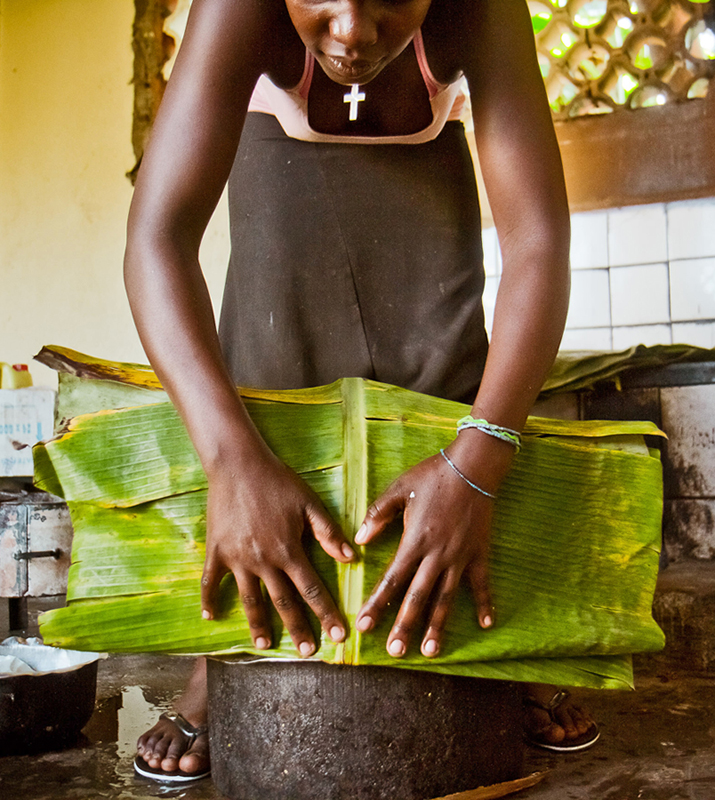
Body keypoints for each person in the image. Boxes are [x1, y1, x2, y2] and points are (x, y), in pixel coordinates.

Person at [125, 0, 598, 782]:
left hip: (424, 185)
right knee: (273, 367)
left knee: (447, 368)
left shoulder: (482, 10)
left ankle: (497, 633)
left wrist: (476, 463)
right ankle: (223, 663)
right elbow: (156, 238)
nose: (353, 30)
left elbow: (536, 244)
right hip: (275, 176)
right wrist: (230, 460)